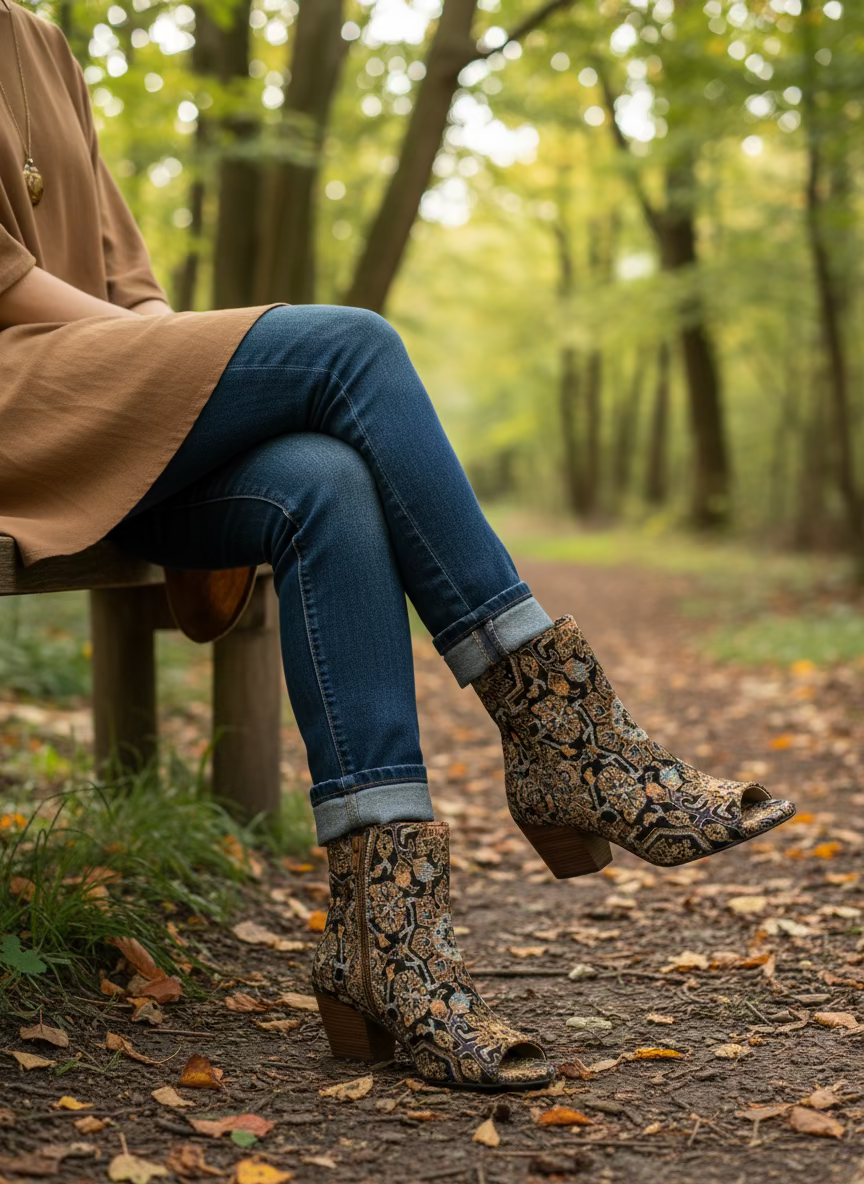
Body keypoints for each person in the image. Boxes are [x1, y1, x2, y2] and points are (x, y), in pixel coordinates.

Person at [0, 0, 795, 1090]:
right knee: (353, 347)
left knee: (325, 480)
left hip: (104, 409)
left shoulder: (41, 42)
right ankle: (565, 738)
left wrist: (164, 351)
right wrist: (174, 355)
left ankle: (385, 945)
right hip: (21, 407)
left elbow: (126, 276)